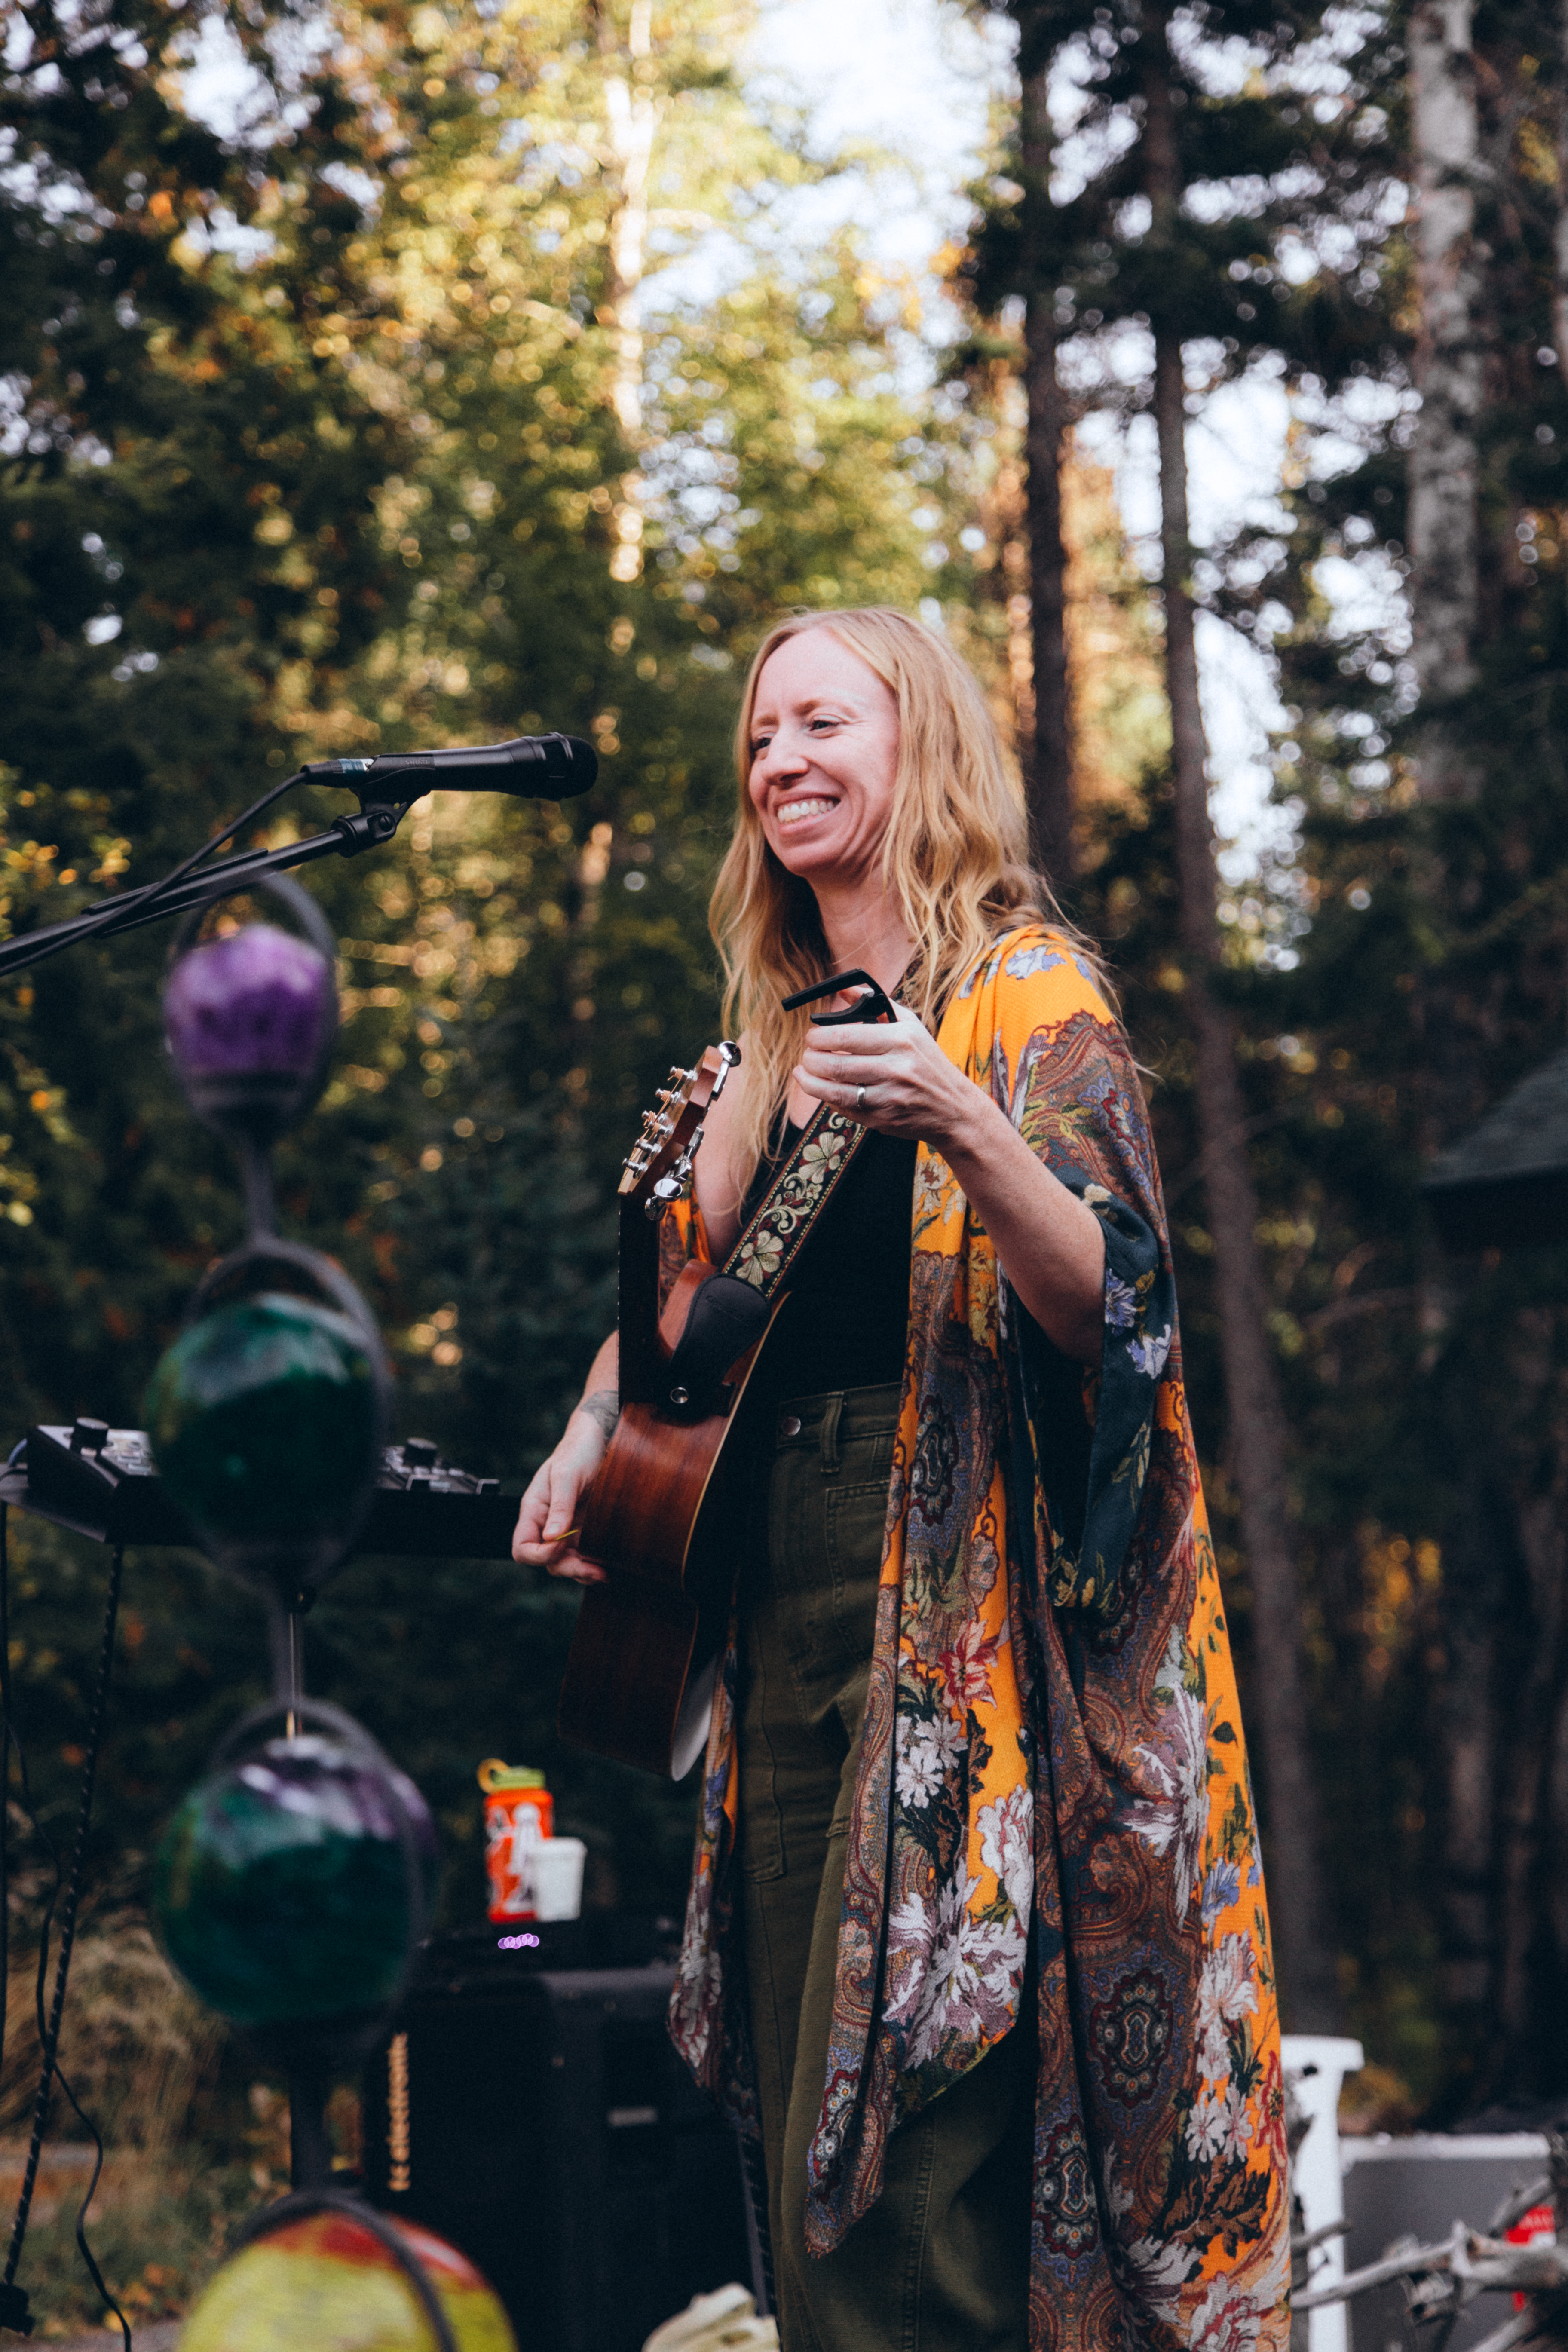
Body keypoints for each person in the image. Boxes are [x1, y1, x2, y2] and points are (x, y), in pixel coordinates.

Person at [514, 608, 1290, 2352]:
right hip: (777, 1599)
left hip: (957, 1605)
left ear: (916, 740)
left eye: (821, 723)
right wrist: (586, 1439)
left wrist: (961, 1115)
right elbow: (687, 1299)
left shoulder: (1026, 992)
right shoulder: (776, 1043)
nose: (780, 760)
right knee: (811, 2125)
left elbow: (1123, 1309)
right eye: (760, 738)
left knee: (915, 2111)